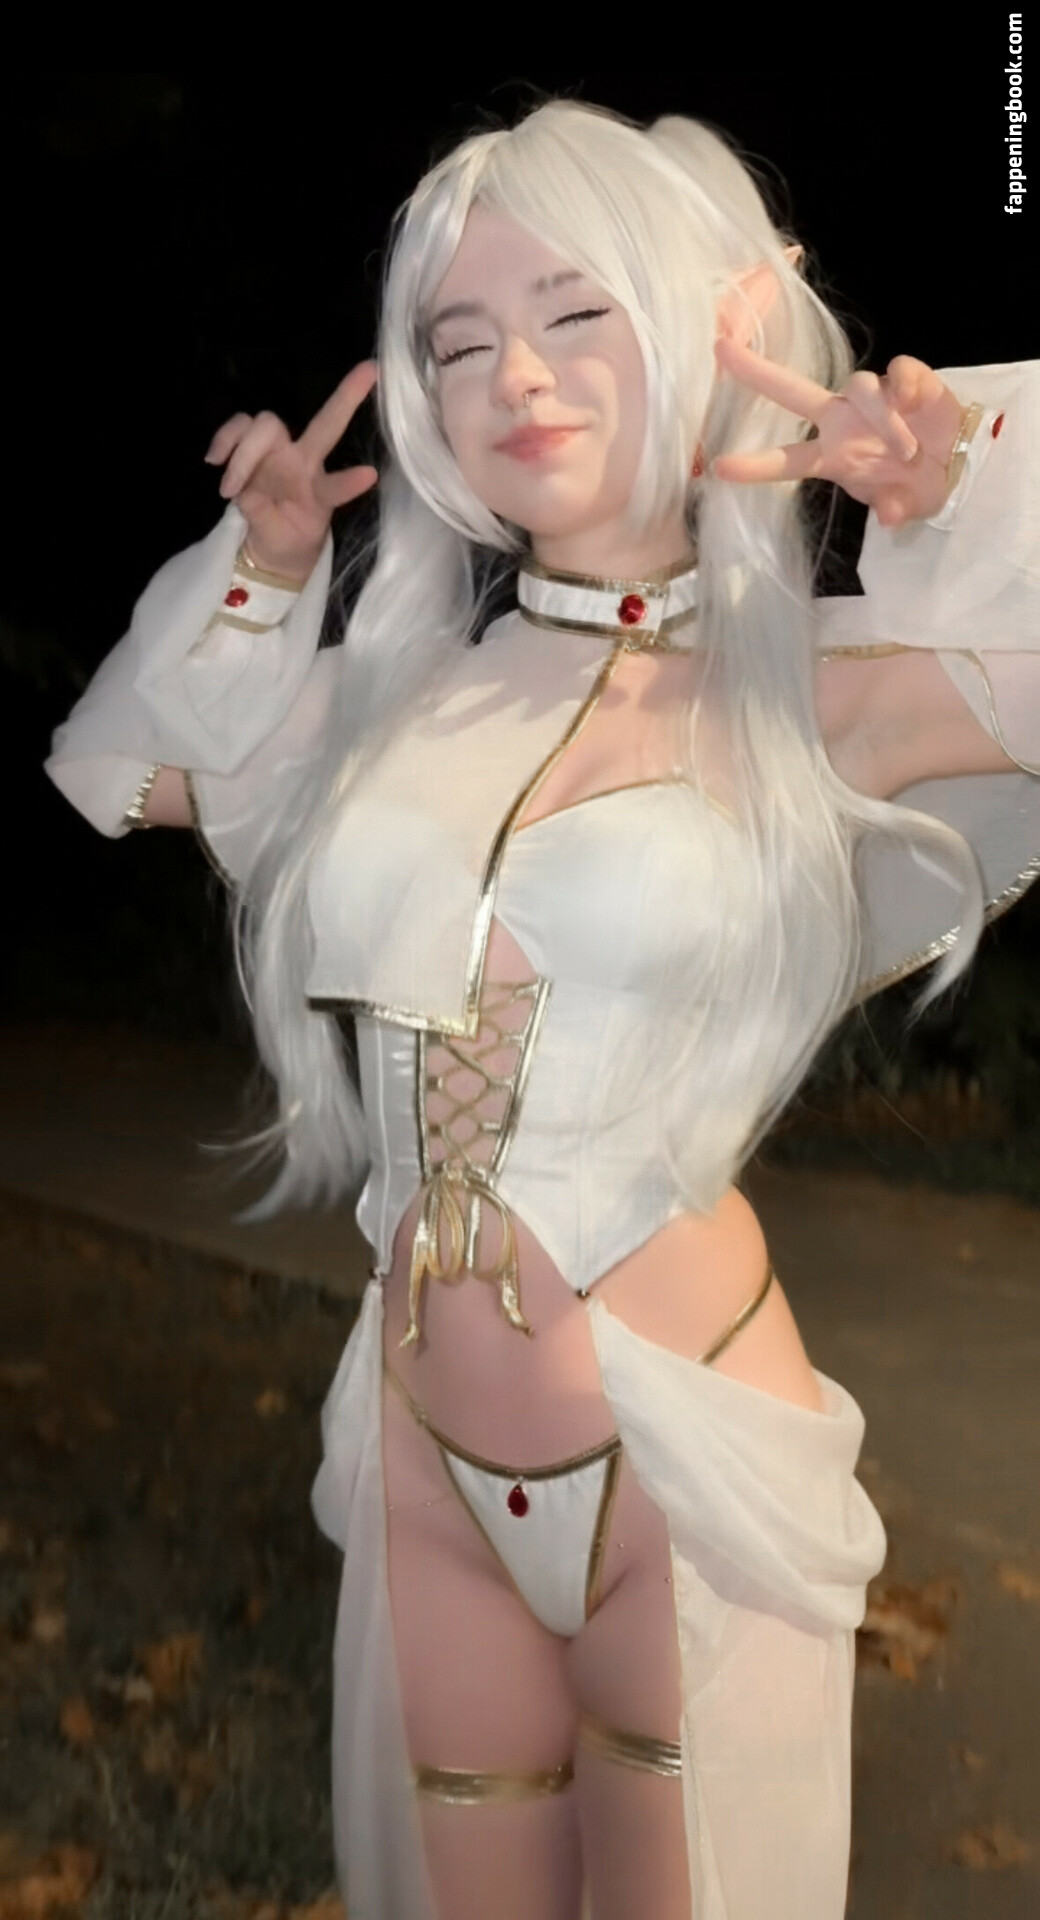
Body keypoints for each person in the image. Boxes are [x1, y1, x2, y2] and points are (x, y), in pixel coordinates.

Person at [45, 101, 1040, 1920]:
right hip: (424, 1441)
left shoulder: (819, 693)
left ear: (703, 328)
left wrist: (954, 486)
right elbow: (118, 764)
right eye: (461, 339)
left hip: (683, 1448)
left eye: (579, 314)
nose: (516, 375)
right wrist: (270, 571)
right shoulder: (400, 699)